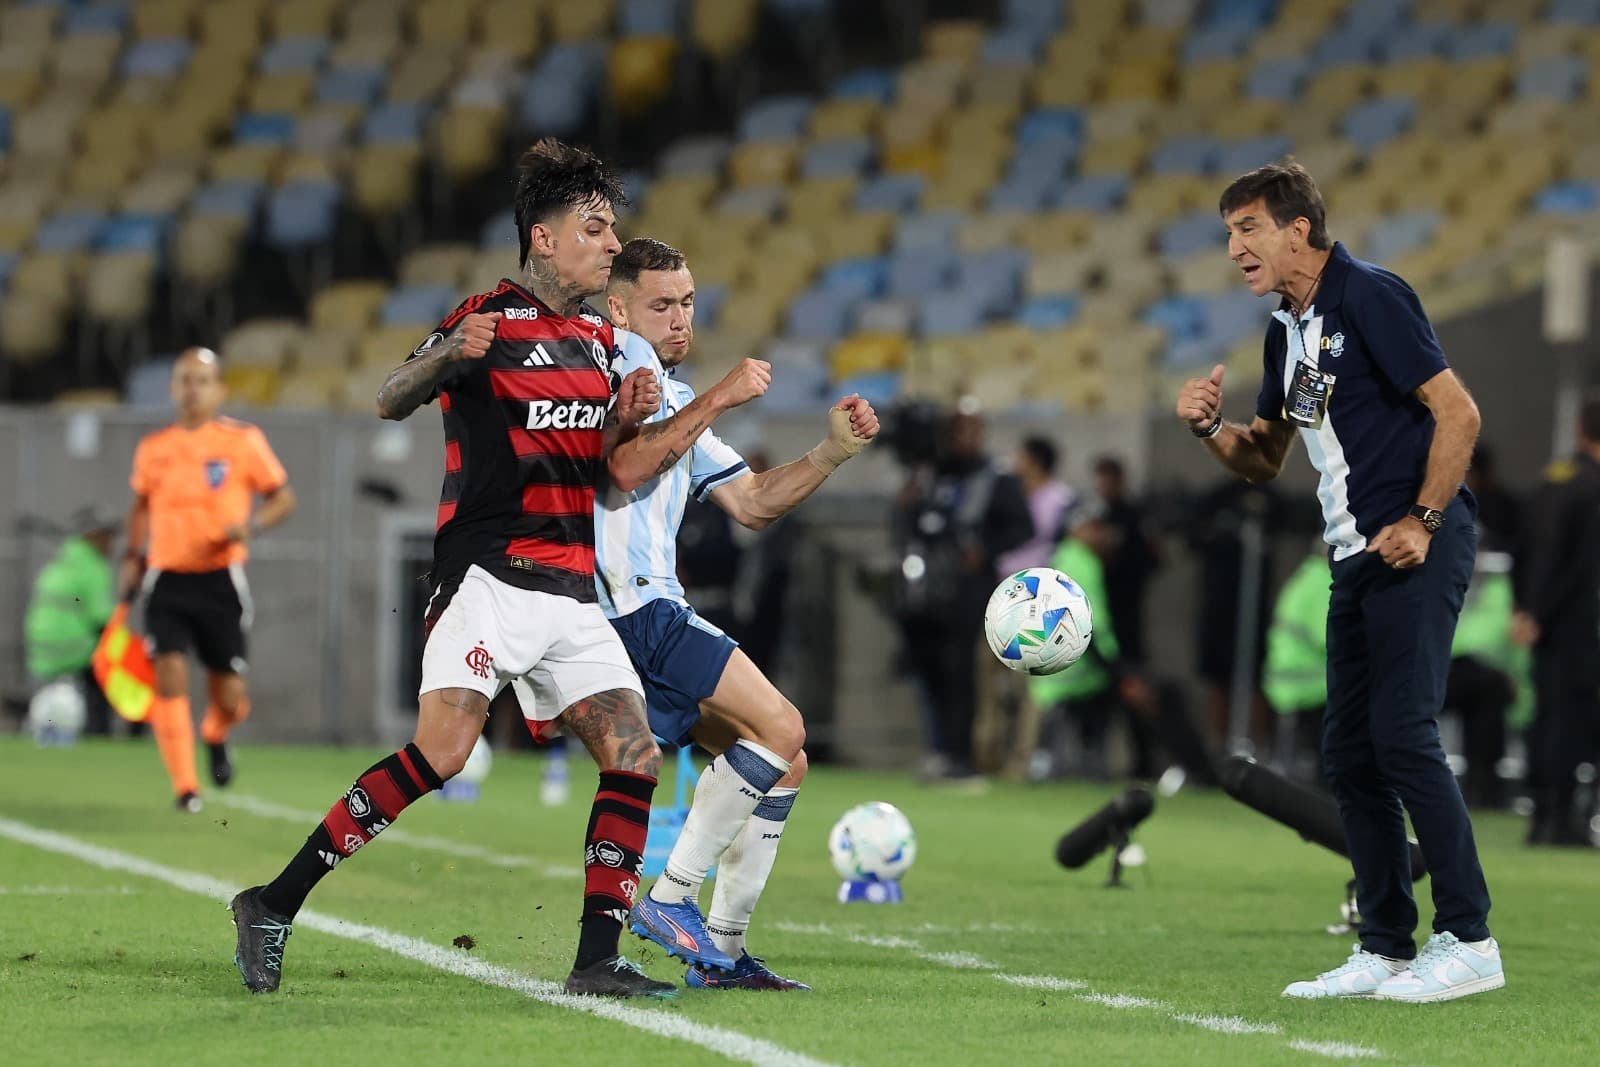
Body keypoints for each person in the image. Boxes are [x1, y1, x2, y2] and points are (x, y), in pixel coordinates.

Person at [230, 140, 673, 1000]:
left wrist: (624, 419)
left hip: (569, 587)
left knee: (634, 755)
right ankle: (272, 902)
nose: (613, 244)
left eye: (613, 229)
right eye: (595, 228)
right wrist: (446, 355)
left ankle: (596, 959)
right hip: (487, 579)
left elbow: (597, 469)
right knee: (442, 752)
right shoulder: (487, 318)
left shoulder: (601, 342)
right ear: (543, 238)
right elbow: (389, 397)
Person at [1176, 159, 1502, 1001]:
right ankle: (1385, 944)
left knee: (1402, 734)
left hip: (1414, 544)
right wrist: (1211, 428)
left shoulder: (1371, 296)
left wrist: (1423, 520)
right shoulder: (1285, 331)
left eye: (1248, 229)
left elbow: (1459, 411)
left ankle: (1470, 938)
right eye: (1228, 234)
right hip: (1353, 553)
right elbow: (1264, 456)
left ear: (1299, 230)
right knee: (1351, 755)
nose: (1234, 249)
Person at [595, 237, 877, 990]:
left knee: (783, 761)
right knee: (783, 728)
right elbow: (625, 466)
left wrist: (830, 453)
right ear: (618, 308)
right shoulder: (615, 372)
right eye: (661, 304)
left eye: (688, 302)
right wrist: (722, 394)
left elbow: (751, 502)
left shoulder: (673, 399)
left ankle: (719, 951)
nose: (680, 318)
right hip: (631, 606)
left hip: (647, 608)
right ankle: (670, 896)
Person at [120, 348, 296, 810]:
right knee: (169, 675)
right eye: (184, 380)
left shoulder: (243, 441)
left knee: (230, 696)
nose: (192, 390)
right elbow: (140, 507)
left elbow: (283, 498)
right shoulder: (154, 448)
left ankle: (216, 731)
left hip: (220, 580)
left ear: (219, 390)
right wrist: (133, 557)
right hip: (167, 579)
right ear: (171, 389)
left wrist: (251, 526)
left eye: (201, 381)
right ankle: (186, 787)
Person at [891, 400, 1033, 784]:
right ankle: (939, 748)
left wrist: (985, 550)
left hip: (968, 591)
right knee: (928, 669)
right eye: (956, 429)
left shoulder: (996, 477)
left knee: (961, 673)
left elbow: (1023, 528)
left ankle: (963, 756)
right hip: (924, 588)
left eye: (970, 429)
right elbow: (911, 524)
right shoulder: (930, 475)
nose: (962, 438)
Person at [1513, 395, 1600, 846]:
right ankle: (1563, 819)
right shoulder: (1594, 487)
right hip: (1578, 621)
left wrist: (1525, 610)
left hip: (1543, 622)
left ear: (1580, 429)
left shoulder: (1553, 480)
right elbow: (1581, 565)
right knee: (1572, 718)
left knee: (1546, 713)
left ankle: (1541, 815)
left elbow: (1523, 548)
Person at [25, 507, 119, 735]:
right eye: (107, 536)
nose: (112, 544)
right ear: (94, 537)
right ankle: (98, 735)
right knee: (109, 676)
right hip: (73, 650)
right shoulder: (92, 566)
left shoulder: (61, 560)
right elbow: (101, 619)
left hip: (40, 651)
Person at [1091, 455, 1160, 665]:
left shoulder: (1133, 514)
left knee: (1127, 641)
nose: (1102, 488)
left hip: (1127, 589)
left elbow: (1150, 554)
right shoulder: (1100, 513)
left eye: (1107, 482)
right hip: (1105, 590)